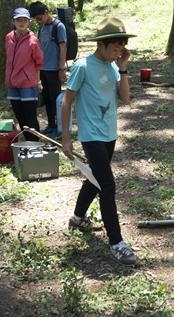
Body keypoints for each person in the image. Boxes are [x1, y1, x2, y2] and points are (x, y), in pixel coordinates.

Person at [60, 17, 137, 266]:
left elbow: (124, 98)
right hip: (91, 135)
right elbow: (67, 101)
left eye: (121, 48)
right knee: (107, 184)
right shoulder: (83, 66)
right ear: (101, 44)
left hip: (109, 133)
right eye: (115, 48)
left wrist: (123, 67)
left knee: (96, 179)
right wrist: (66, 138)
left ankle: (78, 217)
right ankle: (117, 243)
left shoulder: (114, 66)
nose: (118, 52)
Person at [29, 1, 67, 138]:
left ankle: (59, 126)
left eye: (39, 18)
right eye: (36, 20)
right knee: (47, 98)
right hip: (43, 68)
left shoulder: (59, 26)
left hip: (54, 68)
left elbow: (63, 47)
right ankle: (51, 125)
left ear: (46, 12)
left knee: (55, 98)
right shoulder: (42, 27)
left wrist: (61, 68)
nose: (39, 21)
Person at [5, 7, 44, 142]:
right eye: (18, 20)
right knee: (20, 117)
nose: (22, 23)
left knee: (30, 118)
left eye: (25, 20)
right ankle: (28, 144)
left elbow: (39, 63)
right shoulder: (9, 37)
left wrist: (38, 82)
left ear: (29, 22)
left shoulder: (33, 41)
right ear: (13, 21)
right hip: (12, 84)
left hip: (28, 84)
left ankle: (36, 146)